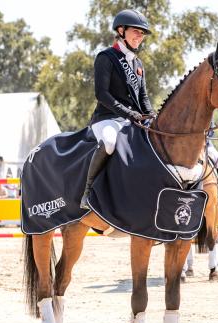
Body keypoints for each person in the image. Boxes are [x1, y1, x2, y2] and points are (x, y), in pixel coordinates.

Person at [80, 9, 155, 209]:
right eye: (136, 31)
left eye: (142, 33)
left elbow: (143, 97)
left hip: (131, 119)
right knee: (110, 143)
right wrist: (129, 114)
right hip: (107, 118)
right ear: (121, 30)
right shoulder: (106, 57)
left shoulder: (138, 63)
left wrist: (152, 117)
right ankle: (88, 191)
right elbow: (102, 94)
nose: (140, 36)